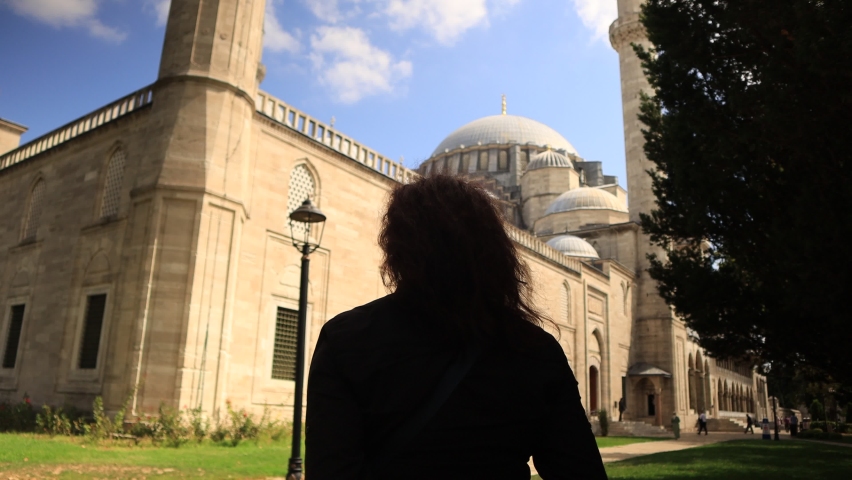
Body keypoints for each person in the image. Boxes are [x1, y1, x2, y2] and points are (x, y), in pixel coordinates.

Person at [305, 175, 608, 480]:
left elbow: (330, 467)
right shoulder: (533, 348)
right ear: (493, 249)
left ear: (396, 248)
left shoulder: (346, 339)